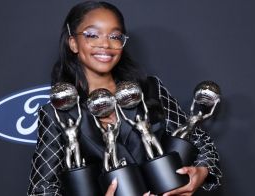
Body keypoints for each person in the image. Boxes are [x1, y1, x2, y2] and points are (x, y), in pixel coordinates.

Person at [27, 1, 222, 196]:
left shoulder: (151, 89)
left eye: (115, 36)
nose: (105, 44)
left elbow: (200, 141)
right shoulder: (57, 113)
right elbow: (41, 190)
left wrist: (201, 171)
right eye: (92, 34)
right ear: (73, 43)